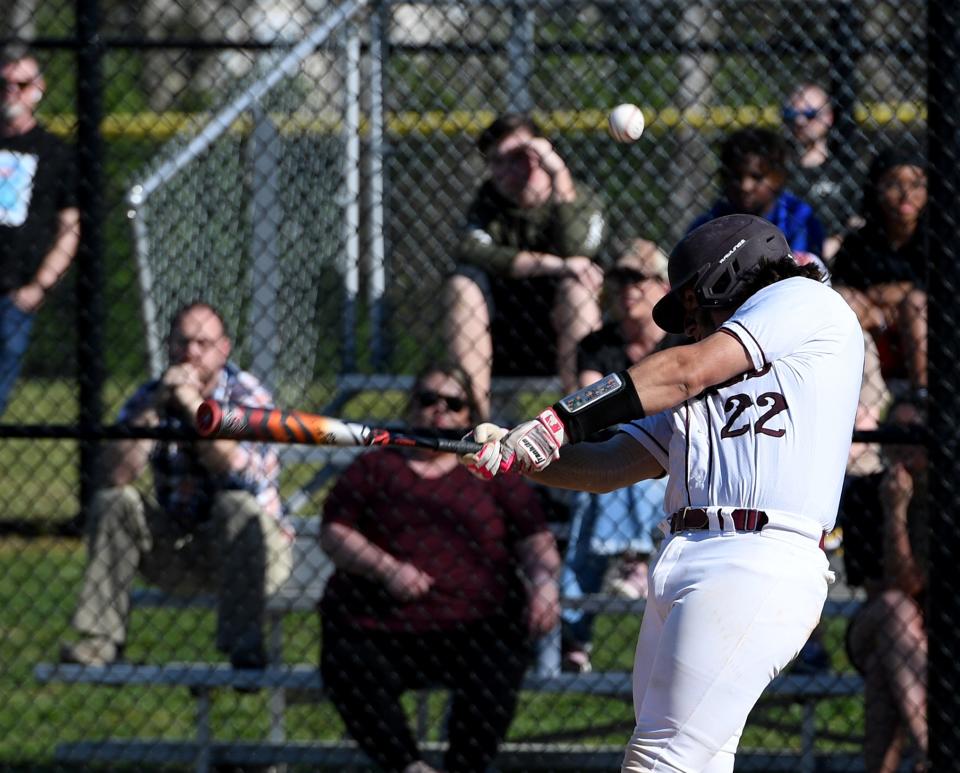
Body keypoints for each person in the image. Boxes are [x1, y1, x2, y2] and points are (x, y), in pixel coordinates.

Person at [461, 214, 863, 772]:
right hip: (686, 560)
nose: (693, 323)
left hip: (757, 559)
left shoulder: (802, 300)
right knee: (695, 762)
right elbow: (611, 463)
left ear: (731, 276)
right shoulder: (711, 377)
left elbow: (683, 370)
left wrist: (556, 421)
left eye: (697, 303)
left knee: (660, 762)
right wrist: (520, 456)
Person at [319, 363, 560, 773]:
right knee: (345, 662)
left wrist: (544, 585)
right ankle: (409, 766)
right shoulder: (377, 468)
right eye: (428, 400)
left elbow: (536, 542)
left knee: (498, 666)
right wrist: (386, 568)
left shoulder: (493, 473)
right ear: (411, 407)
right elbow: (334, 533)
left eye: (453, 403)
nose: (439, 411)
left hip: (475, 627)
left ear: (470, 415)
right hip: (381, 627)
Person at [59, 302, 292, 669]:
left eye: (203, 343)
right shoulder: (149, 396)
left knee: (235, 504)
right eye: (183, 343)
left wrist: (191, 404)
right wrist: (156, 407)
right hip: (179, 549)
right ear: (168, 346)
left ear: (224, 348)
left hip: (254, 554)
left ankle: (244, 645)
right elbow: (115, 474)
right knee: (115, 502)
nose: (191, 353)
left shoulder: (247, 395)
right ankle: (100, 642)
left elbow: (238, 475)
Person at [560, 239, 683, 673]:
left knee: (606, 487)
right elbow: (589, 408)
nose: (627, 288)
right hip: (615, 447)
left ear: (662, 286)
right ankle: (628, 563)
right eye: (619, 279)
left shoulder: (680, 343)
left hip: (666, 462)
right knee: (592, 496)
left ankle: (576, 629)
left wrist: (627, 411)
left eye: (638, 278)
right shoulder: (598, 343)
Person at [444, 112, 606, 418]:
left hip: (565, 334)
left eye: (518, 157)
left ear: (541, 155)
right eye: (496, 161)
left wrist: (558, 176)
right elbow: (469, 250)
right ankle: (478, 425)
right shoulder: (488, 201)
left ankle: (582, 424)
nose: (505, 170)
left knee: (578, 290)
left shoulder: (581, 197)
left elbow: (578, 251)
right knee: (461, 284)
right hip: (499, 336)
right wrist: (552, 265)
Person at [842, 398, 928, 772]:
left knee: (884, 668)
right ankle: (932, 748)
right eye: (892, 432)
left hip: (914, 638)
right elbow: (893, 590)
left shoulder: (946, 495)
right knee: (896, 611)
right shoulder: (866, 493)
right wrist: (894, 511)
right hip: (878, 620)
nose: (900, 443)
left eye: (912, 433)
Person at [0, 52, 80, 416]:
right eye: (4, 85)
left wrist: (39, 287)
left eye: (21, 85)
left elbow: (69, 229)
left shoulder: (55, 153)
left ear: (38, 89)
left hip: (16, 291)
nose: (11, 93)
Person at [830, 147, 928, 397]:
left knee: (916, 303)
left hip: (923, 330)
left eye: (916, 184)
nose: (906, 194)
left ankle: (922, 393)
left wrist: (892, 296)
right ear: (877, 188)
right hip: (873, 330)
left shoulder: (939, 237)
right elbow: (844, 292)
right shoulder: (860, 242)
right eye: (894, 184)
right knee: (844, 300)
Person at [688, 126, 827, 270]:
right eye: (736, 176)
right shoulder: (710, 223)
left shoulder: (799, 219)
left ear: (779, 176)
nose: (745, 186)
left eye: (757, 177)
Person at [782, 82, 861, 260]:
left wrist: (835, 243)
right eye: (791, 114)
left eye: (809, 115)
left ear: (829, 117)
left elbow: (857, 221)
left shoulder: (846, 171)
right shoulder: (778, 174)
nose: (799, 121)